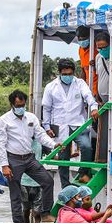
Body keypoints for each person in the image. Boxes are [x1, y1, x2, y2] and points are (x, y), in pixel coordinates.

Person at [0, 90, 60, 223]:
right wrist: (4, 165)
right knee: (16, 194)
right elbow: (0, 144)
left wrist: (52, 144)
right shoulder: (3, 120)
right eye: (18, 105)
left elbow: (40, 134)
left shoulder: (31, 117)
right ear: (12, 105)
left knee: (47, 180)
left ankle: (45, 213)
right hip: (13, 159)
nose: (21, 107)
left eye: (23, 104)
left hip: (29, 158)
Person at [42, 59, 99, 187]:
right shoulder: (51, 87)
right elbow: (46, 108)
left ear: (73, 72)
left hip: (78, 124)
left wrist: (94, 108)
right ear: (60, 73)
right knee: (63, 157)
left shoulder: (79, 83)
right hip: (60, 125)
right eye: (65, 74)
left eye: (70, 74)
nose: (67, 76)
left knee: (86, 146)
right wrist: (46, 127)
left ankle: (83, 173)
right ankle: (65, 186)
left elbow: (88, 96)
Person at [20, 139, 43, 223]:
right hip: (23, 181)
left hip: (38, 182)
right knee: (25, 211)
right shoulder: (20, 142)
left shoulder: (40, 141)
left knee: (37, 213)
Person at [76, 26, 98, 96]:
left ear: (90, 37)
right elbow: (83, 71)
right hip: (89, 89)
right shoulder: (80, 50)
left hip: (99, 88)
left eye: (84, 38)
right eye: (79, 38)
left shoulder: (97, 48)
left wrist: (96, 65)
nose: (81, 40)